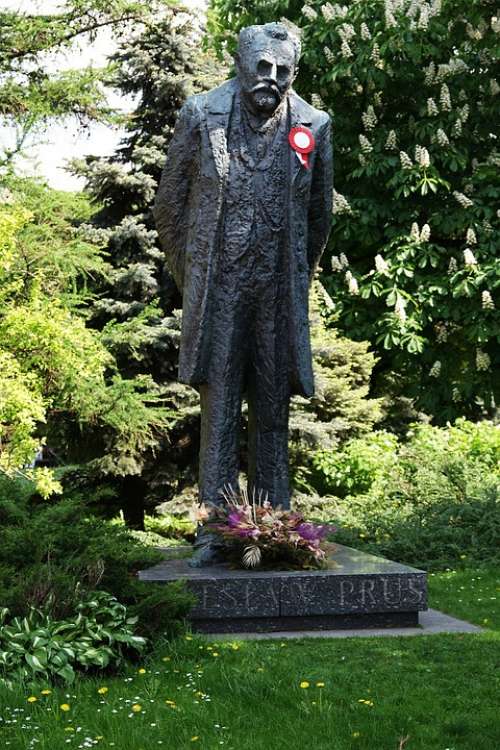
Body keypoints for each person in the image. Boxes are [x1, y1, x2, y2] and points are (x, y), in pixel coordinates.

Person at [153, 22, 333, 565]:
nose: (270, 79)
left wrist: (295, 274)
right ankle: (214, 528)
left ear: (293, 73)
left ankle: (278, 528)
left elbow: (319, 218)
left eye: (282, 71)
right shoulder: (199, 114)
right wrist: (198, 278)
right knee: (221, 404)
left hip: (277, 291)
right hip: (221, 287)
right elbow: (169, 208)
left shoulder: (314, 126)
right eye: (261, 66)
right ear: (240, 62)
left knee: (273, 409)